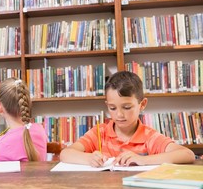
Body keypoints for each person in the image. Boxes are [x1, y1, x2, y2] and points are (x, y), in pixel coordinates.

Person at [60, 71, 195, 167]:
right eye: (112, 108)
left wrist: (144, 160)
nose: (119, 115)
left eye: (126, 107)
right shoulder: (99, 133)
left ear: (142, 104)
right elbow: (65, 154)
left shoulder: (149, 137)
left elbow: (187, 154)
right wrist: (89, 158)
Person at [0, 78, 47, 161]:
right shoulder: (39, 130)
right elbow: (21, 139)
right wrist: (5, 138)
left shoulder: (1, 147)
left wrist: (4, 140)